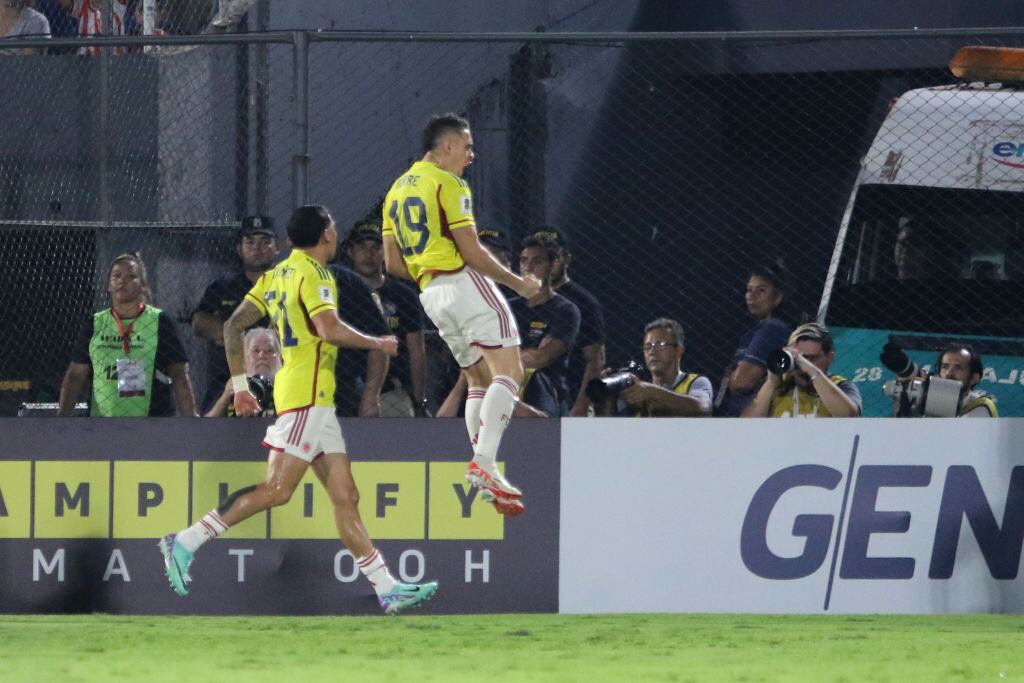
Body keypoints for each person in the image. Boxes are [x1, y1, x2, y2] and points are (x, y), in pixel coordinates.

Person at [159, 205, 438, 615]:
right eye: (334, 226)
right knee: (277, 490)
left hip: (312, 400)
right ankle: (186, 540)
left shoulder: (276, 275)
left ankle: (387, 587)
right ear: (327, 234)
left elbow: (234, 326)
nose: (336, 231)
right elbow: (329, 329)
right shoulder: (315, 273)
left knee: (346, 496)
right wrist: (378, 343)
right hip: (306, 398)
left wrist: (240, 386)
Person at [381, 112, 541, 517]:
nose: (471, 155)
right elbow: (472, 252)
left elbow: (391, 264)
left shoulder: (396, 191)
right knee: (510, 372)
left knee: (476, 379)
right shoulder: (449, 183)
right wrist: (519, 283)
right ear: (447, 145)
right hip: (461, 281)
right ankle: (485, 463)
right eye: (467, 147)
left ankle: (481, 466)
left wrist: (427, 270)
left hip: (430, 294)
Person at [58, 252, 197, 417]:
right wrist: (62, 419)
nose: (122, 281)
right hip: (102, 423)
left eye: (131, 276)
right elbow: (75, 375)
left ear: (143, 285)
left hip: (151, 421)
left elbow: (179, 374)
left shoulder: (160, 321)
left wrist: (191, 420)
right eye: (117, 275)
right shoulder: (95, 323)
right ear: (109, 284)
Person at [192, 217, 278, 414]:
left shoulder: (287, 284)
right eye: (250, 242)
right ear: (239, 248)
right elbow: (199, 323)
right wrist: (250, 337)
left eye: (265, 242)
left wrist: (239, 334)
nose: (257, 248)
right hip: (226, 375)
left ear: (277, 247)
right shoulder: (222, 286)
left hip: (279, 374)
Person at [345, 220, 429, 417]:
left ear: (385, 252)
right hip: (343, 386)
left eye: (376, 247)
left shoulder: (403, 295)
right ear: (350, 251)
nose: (369, 254)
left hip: (391, 390)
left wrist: (419, 400)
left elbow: (417, 351)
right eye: (361, 246)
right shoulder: (340, 291)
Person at [528, 225, 606, 417]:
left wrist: (580, 405)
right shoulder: (521, 299)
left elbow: (596, 359)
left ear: (566, 259)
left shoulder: (583, 302)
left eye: (554, 256)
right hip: (526, 393)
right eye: (541, 257)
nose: (548, 263)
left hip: (567, 398)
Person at [508, 235, 580, 417]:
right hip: (505, 383)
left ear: (552, 264)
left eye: (537, 261)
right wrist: (528, 353)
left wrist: (502, 354)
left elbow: (541, 359)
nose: (528, 267)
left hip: (547, 390)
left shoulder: (565, 310)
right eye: (524, 261)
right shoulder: (507, 307)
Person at [715, 263, 793, 416]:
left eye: (761, 290)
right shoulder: (752, 331)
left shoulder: (773, 328)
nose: (751, 296)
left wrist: (731, 376)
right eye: (749, 290)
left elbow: (742, 382)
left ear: (778, 297)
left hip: (755, 419)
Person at [742, 322, 862, 418]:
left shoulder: (840, 385)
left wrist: (811, 370)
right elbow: (745, 428)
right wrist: (771, 383)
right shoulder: (777, 387)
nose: (802, 365)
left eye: (812, 358)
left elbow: (849, 417)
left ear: (830, 358)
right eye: (799, 358)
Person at [600, 318, 713, 417]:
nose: (652, 351)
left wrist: (652, 393)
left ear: (678, 350)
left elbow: (703, 408)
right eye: (648, 346)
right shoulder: (637, 391)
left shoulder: (695, 382)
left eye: (660, 345)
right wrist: (607, 400)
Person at [328, 257, 391, 418]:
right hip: (296, 383)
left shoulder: (347, 282)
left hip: (343, 384)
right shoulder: (283, 278)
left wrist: (370, 398)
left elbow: (381, 337)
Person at [204, 327, 281, 417]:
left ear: (280, 359)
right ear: (244, 360)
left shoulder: (288, 387)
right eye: (256, 350)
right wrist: (225, 398)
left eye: (270, 350)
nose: (262, 355)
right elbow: (206, 427)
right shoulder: (235, 387)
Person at [935, 344, 997, 417]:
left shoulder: (981, 407)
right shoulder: (929, 400)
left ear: (974, 378)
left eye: (958, 368)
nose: (949, 373)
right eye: (945, 367)